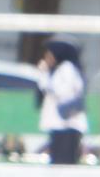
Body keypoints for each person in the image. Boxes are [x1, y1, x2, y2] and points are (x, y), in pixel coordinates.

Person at [37, 37, 88, 166]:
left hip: (66, 125)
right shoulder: (62, 70)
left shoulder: (67, 69)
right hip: (61, 125)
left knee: (63, 163)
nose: (47, 56)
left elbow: (62, 92)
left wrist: (45, 75)